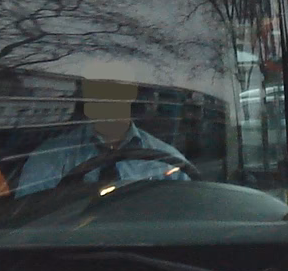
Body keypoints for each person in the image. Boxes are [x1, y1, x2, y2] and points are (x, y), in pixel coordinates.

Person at [14, 79, 191, 197]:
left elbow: (187, 217)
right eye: (97, 89)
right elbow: (29, 220)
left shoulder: (167, 161)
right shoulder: (52, 157)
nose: (107, 98)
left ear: (131, 93)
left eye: (115, 89)